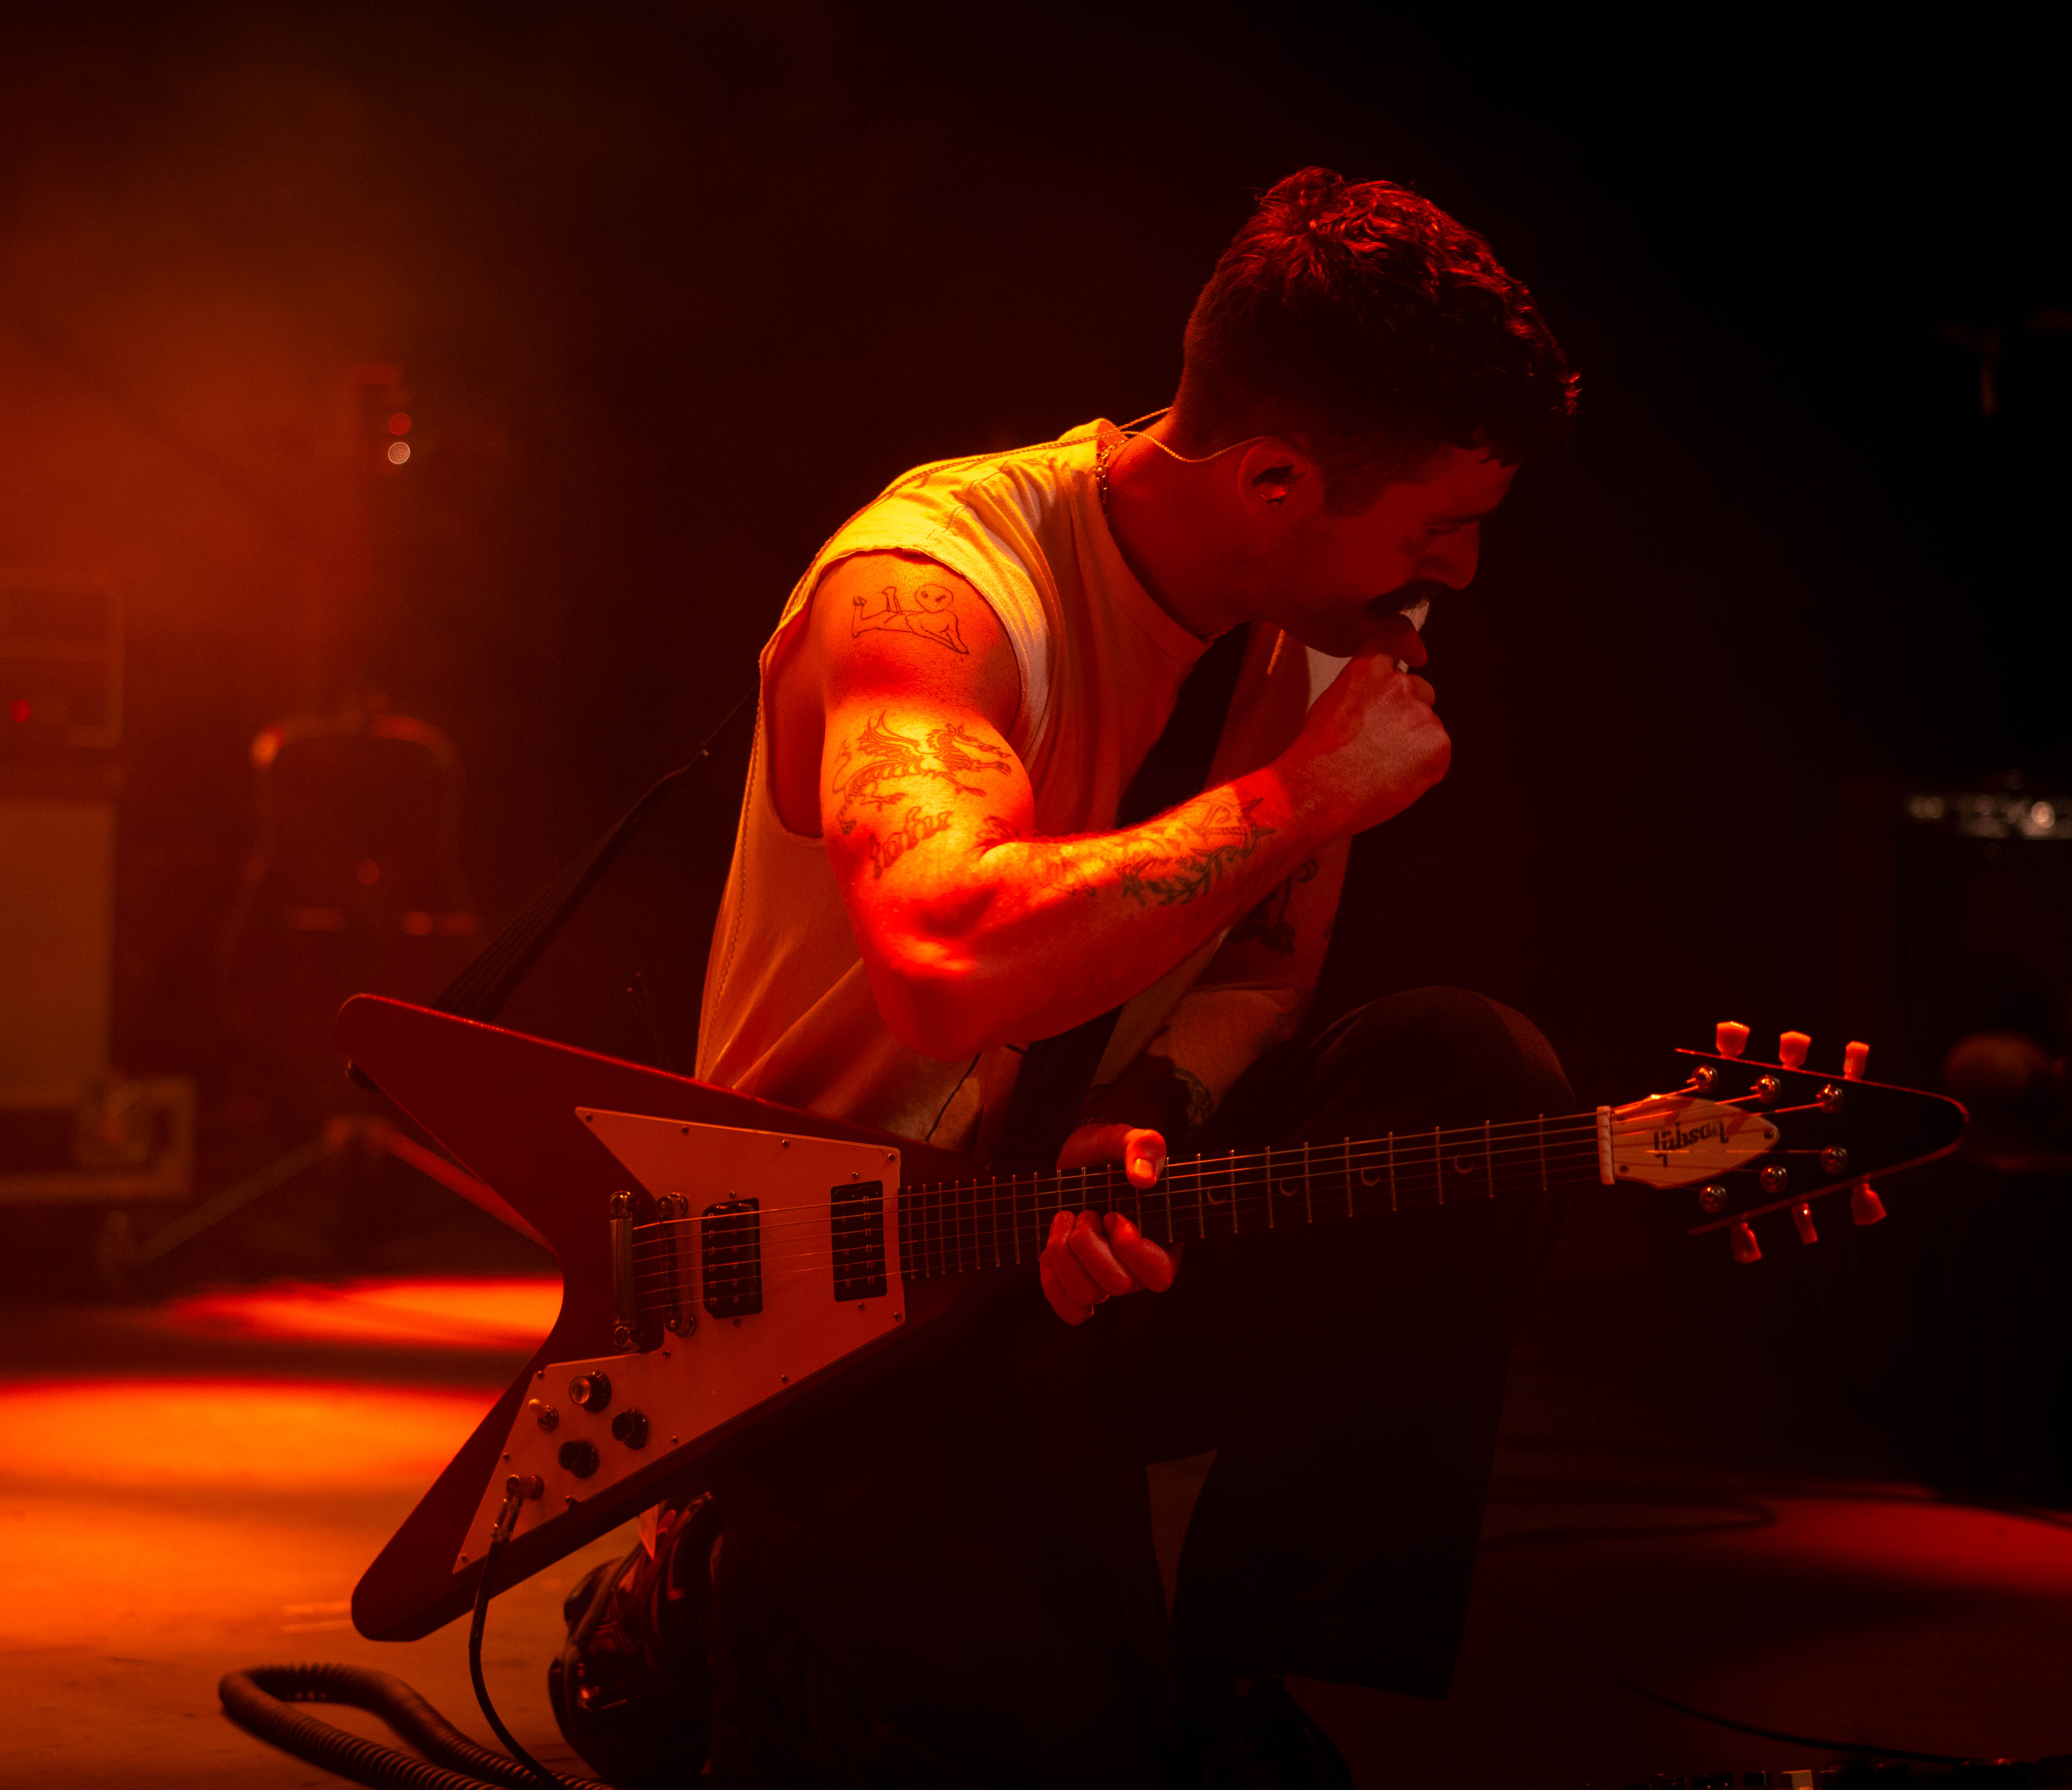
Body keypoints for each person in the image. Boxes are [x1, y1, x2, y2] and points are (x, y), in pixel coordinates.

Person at [552, 166, 1580, 1789]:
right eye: (1439, 524)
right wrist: (1312, 791)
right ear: (1274, 478)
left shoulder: (1319, 620)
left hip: (1058, 1253)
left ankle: (1248, 1672)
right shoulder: (938, 590)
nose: (1458, 568)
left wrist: (1145, 1097)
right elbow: (948, 963)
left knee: (1465, 1067)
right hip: (818, 1303)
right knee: (1056, 1755)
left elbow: (1267, 954)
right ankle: (710, 1587)